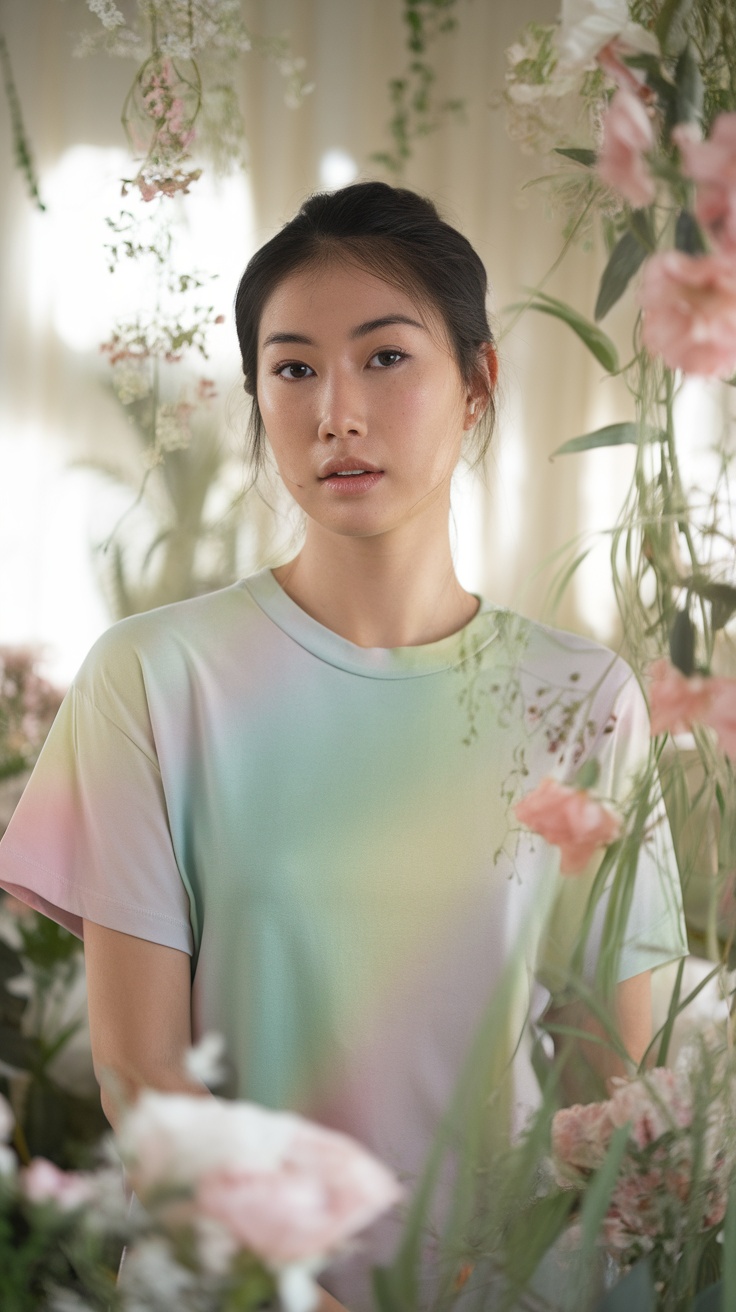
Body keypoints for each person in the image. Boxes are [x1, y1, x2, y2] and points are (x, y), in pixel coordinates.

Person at [0, 182, 686, 1310]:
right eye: (293, 367)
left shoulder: (583, 697)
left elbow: (605, 1085)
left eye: (383, 358)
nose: (335, 413)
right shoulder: (152, 677)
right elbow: (141, 1075)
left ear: (478, 382)